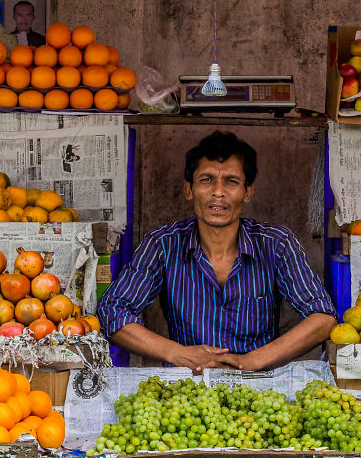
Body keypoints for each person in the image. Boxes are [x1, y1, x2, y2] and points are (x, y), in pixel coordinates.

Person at [98, 131, 336, 373]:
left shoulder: (276, 244)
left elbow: (323, 317)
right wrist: (178, 353)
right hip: (185, 390)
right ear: (189, 189)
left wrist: (253, 360)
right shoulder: (163, 244)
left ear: (247, 192)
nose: (218, 192)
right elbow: (112, 310)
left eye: (231, 181)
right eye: (206, 180)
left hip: (260, 392)